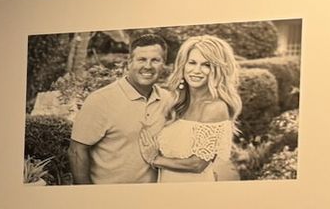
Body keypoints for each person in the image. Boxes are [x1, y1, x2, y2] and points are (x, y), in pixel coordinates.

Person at [67, 34, 167, 185]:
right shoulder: (100, 100)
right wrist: (86, 195)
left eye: (155, 60)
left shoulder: (168, 100)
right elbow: (77, 151)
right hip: (108, 198)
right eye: (141, 59)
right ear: (129, 63)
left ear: (163, 64)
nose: (148, 66)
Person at [146, 35, 242, 183]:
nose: (196, 70)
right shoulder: (176, 101)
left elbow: (197, 164)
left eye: (206, 65)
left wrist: (155, 159)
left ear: (217, 70)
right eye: (192, 62)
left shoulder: (215, 108)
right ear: (183, 65)